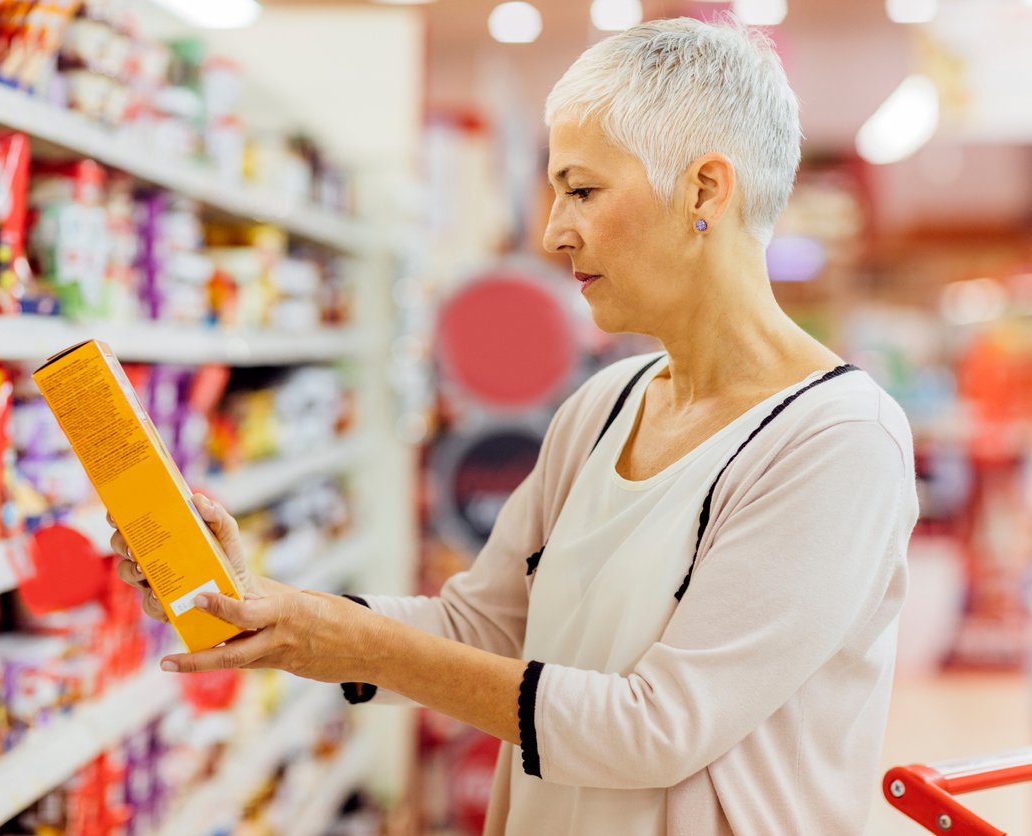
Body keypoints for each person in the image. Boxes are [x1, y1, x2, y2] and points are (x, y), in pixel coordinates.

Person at [112, 17, 917, 835]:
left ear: (705, 191)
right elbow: (483, 627)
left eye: (583, 189)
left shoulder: (836, 442)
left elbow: (659, 727)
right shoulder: (605, 408)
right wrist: (271, 609)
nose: (552, 231)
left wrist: (350, 642)